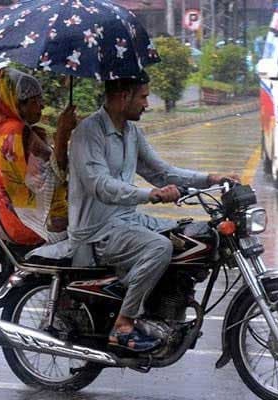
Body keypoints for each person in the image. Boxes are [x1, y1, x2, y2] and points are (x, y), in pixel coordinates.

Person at [68, 71, 239, 352]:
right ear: (124, 97)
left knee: (190, 237)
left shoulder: (131, 132)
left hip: (127, 220)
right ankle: (123, 325)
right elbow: (100, 185)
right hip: (97, 229)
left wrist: (211, 178)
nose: (147, 104)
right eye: (144, 96)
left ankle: (162, 311)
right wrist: (151, 195)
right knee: (159, 247)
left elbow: (162, 172)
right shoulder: (89, 132)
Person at [0, 67, 76, 247]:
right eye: (35, 100)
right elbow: (54, 176)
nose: (42, 105)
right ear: (18, 103)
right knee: (88, 232)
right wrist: (62, 134)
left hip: (5, 224)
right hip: (32, 227)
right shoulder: (18, 133)